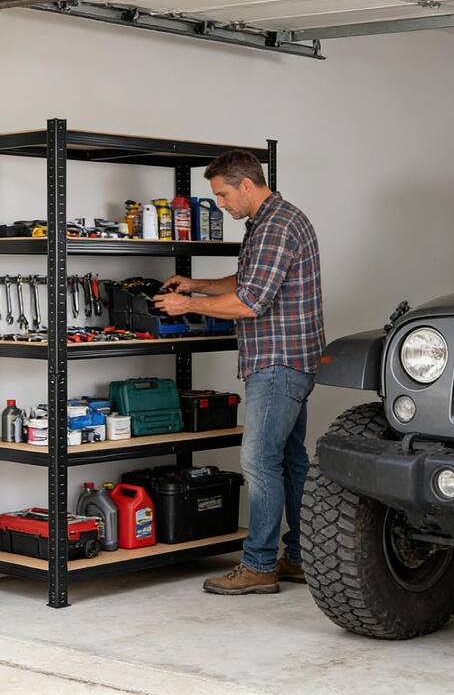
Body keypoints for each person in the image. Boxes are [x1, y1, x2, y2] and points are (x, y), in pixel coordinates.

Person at [154, 149, 325, 595]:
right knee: (289, 461)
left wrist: (185, 304)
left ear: (247, 185)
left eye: (224, 195)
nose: (222, 204)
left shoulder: (275, 226)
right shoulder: (272, 221)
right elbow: (250, 280)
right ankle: (300, 557)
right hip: (290, 360)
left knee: (259, 461)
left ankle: (259, 565)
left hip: (278, 362)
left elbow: (251, 302)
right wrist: (198, 285)